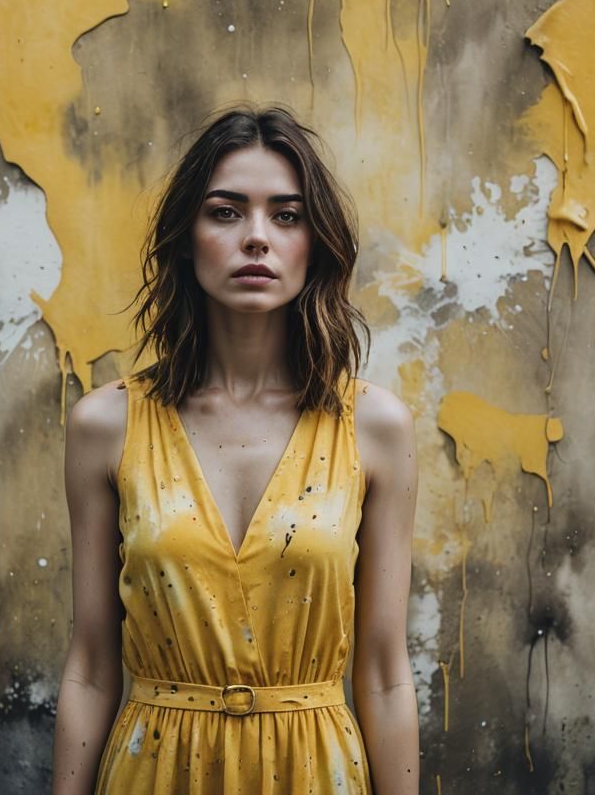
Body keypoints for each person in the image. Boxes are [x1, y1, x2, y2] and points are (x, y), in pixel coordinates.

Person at [52, 104, 419, 794]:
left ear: (317, 243)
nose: (257, 238)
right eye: (225, 212)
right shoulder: (107, 424)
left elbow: (384, 672)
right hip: (155, 771)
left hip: (316, 772)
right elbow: (93, 666)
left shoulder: (374, 427)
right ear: (187, 239)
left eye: (286, 215)